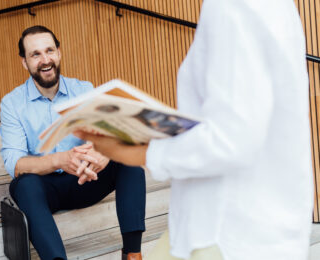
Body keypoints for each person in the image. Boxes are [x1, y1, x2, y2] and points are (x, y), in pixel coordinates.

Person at [75, 0, 313, 259]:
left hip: (228, 231)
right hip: (245, 223)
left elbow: (231, 139)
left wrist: (142, 150)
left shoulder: (233, 6)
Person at [0, 25, 147, 260]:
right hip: (44, 189)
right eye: (35, 54)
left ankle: (132, 254)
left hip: (83, 180)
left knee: (128, 163)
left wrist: (105, 152)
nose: (45, 59)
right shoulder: (12, 103)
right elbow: (14, 163)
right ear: (24, 62)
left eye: (49, 50)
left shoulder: (84, 89)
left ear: (59, 52)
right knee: (24, 184)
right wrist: (61, 159)